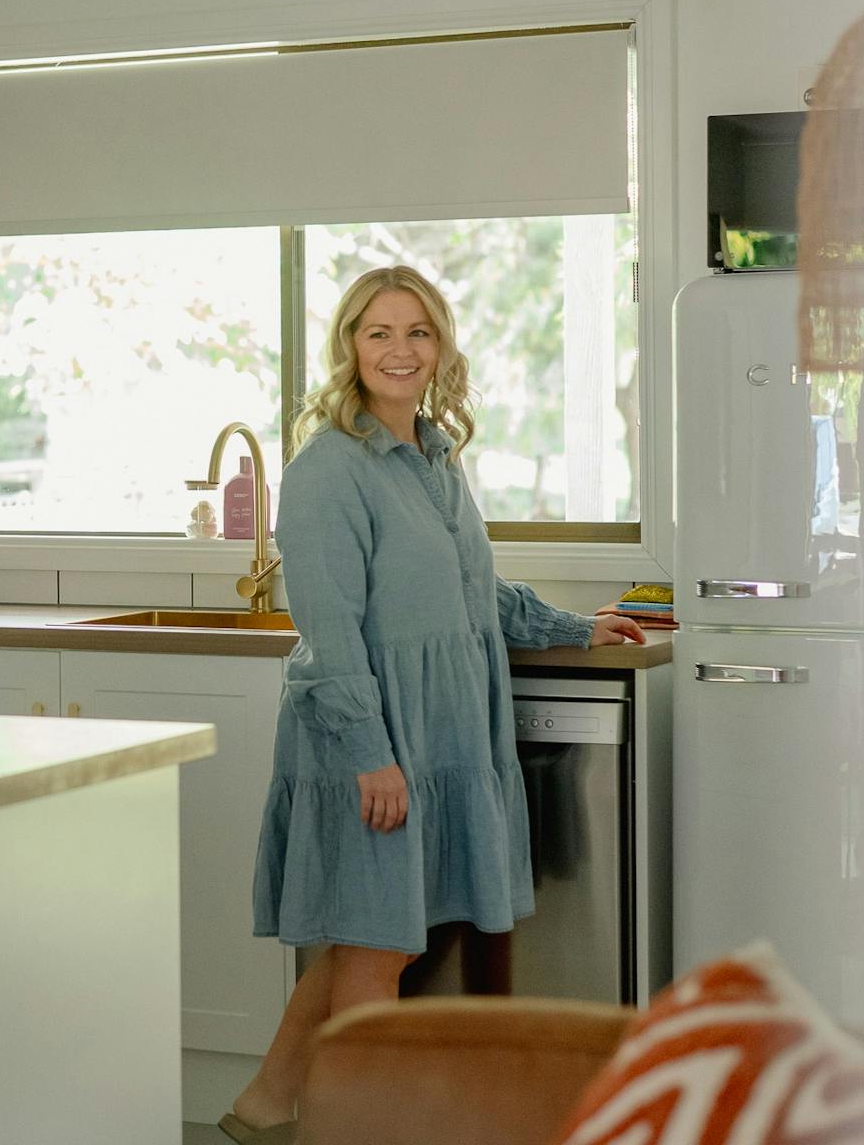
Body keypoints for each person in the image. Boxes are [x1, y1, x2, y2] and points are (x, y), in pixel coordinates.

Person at [219, 265, 645, 1142]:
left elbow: (469, 588)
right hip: (370, 732)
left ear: (441, 347)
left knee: (369, 937)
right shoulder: (327, 470)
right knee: (380, 945)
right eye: (379, 332)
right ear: (349, 347)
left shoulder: (435, 456)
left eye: (418, 332)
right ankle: (358, 1128)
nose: (400, 350)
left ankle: (262, 1110)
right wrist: (371, 752)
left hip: (442, 722)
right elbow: (329, 630)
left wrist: (575, 624)